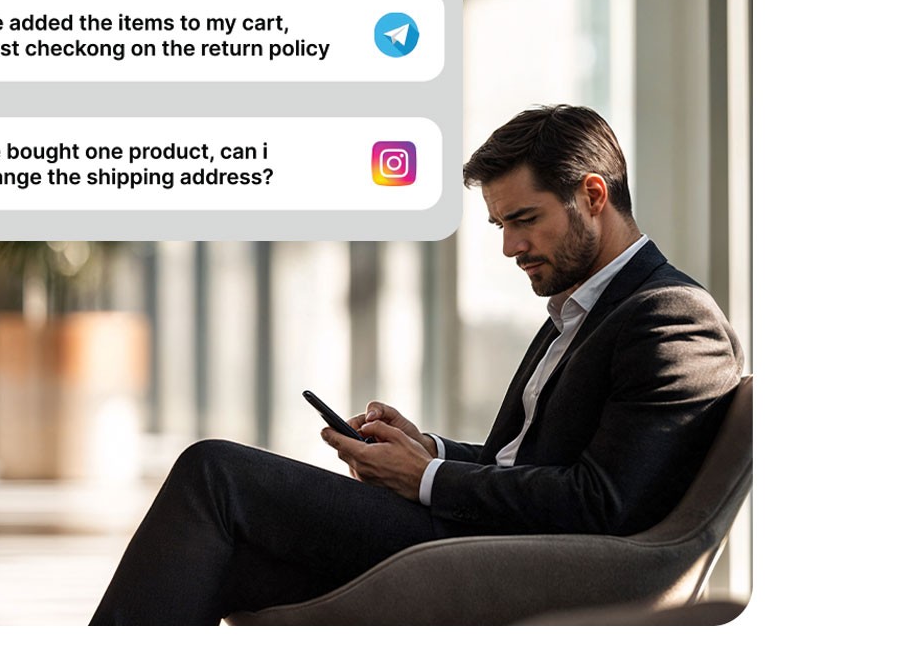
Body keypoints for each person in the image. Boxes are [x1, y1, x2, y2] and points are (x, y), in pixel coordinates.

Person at [90, 105, 743, 625]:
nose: (511, 246)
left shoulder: (670, 318)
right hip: (487, 536)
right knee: (217, 558)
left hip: (515, 561)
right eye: (500, 225)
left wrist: (425, 478)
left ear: (593, 195)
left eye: (524, 219)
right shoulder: (584, 308)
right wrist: (428, 450)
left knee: (215, 472)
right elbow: (522, 462)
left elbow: (602, 505)